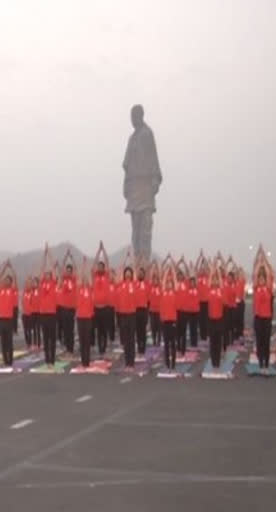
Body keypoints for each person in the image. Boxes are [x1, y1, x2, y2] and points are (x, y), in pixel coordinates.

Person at [122, 104, 162, 261]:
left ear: (140, 116)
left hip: (145, 186)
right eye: (131, 117)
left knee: (145, 228)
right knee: (135, 229)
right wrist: (125, 184)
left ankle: (145, 261)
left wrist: (155, 180)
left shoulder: (147, 134)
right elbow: (127, 165)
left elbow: (153, 158)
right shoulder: (132, 138)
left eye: (134, 117)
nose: (132, 120)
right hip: (134, 187)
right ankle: (137, 259)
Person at [252, 246, 274, 372]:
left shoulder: (269, 289)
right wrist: (258, 259)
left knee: (266, 342)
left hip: (267, 319)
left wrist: (264, 259)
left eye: (262, 279)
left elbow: (270, 272)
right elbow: (255, 273)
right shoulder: (255, 289)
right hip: (258, 318)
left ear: (265, 280)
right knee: (259, 341)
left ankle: (266, 363)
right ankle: (261, 363)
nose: (261, 280)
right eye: (259, 279)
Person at [39, 244, 59, 369]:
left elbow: (54, 269)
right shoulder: (42, 284)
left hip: (52, 314)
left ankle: (52, 360)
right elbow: (41, 268)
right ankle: (47, 361)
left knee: (52, 339)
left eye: (48, 274)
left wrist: (50, 254)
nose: (46, 275)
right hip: (43, 315)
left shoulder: (53, 283)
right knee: (45, 339)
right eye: (45, 274)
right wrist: (44, 254)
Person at [0, 260, 18, 367]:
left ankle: (10, 361)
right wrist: (4, 267)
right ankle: (5, 361)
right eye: (5, 280)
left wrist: (11, 268)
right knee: (3, 342)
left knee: (9, 342)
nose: (5, 282)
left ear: (10, 282)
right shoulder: (0, 290)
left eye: (7, 280)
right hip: (1, 320)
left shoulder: (12, 290)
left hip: (9, 320)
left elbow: (16, 278)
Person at [116, 258, 137, 368]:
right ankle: (126, 361)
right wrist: (124, 263)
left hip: (132, 315)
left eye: (129, 273)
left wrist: (132, 258)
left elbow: (137, 270)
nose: (127, 274)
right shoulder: (120, 285)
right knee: (125, 340)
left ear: (132, 274)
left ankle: (131, 362)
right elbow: (119, 273)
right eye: (126, 273)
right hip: (123, 315)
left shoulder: (134, 284)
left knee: (131, 339)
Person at [92, 241, 112, 357]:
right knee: (98, 331)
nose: (99, 268)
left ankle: (103, 349)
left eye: (101, 266)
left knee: (104, 331)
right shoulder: (95, 276)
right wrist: (97, 252)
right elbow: (94, 264)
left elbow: (107, 262)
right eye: (98, 266)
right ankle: (100, 350)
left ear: (103, 268)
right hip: (96, 308)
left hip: (105, 308)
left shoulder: (106, 276)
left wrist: (103, 250)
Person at [159, 259, 178, 370]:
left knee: (173, 344)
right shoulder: (163, 292)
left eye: (170, 283)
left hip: (173, 321)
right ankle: (167, 363)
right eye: (168, 283)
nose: (169, 284)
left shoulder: (174, 292)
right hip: (165, 321)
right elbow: (163, 281)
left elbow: (175, 280)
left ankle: (173, 363)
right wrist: (167, 271)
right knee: (166, 344)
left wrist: (172, 270)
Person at [76, 257, 94, 368]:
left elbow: (90, 278)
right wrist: (83, 265)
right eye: (83, 280)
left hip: (88, 318)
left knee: (87, 340)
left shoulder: (90, 290)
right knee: (82, 341)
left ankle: (87, 361)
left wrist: (86, 266)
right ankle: (83, 361)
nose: (84, 281)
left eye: (86, 280)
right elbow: (79, 277)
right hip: (80, 318)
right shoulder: (79, 290)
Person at [207, 260, 226, 369]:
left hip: (219, 320)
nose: (214, 281)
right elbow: (209, 280)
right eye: (213, 279)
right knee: (212, 342)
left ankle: (217, 362)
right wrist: (212, 270)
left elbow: (221, 282)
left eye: (216, 279)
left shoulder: (220, 291)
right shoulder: (210, 291)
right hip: (211, 320)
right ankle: (213, 361)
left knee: (218, 342)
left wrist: (217, 271)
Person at [60, 252, 78, 355]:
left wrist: (72, 258)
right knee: (65, 329)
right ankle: (67, 348)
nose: (68, 273)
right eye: (67, 271)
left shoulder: (74, 280)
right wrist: (65, 257)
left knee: (70, 329)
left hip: (71, 308)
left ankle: (70, 348)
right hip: (64, 308)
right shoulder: (64, 280)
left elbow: (75, 268)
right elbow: (62, 267)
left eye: (69, 271)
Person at [135, 262, 149, 354]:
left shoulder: (147, 284)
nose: (140, 274)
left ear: (144, 275)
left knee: (143, 330)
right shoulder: (135, 284)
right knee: (138, 330)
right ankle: (139, 347)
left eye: (142, 273)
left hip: (144, 309)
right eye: (139, 273)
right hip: (136, 310)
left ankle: (143, 348)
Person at [148, 263, 162, 346]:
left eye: (157, 280)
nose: (155, 281)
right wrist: (153, 267)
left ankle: (159, 340)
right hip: (152, 311)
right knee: (153, 327)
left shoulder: (160, 288)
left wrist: (157, 267)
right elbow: (150, 275)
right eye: (154, 280)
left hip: (159, 311)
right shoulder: (150, 287)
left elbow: (160, 276)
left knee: (159, 327)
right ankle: (154, 340)